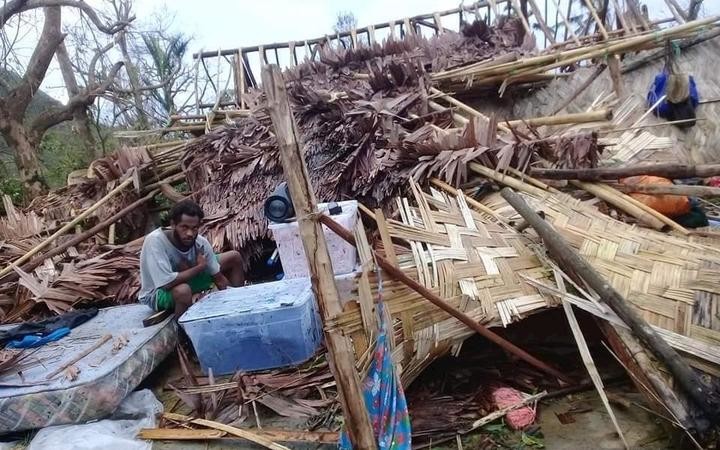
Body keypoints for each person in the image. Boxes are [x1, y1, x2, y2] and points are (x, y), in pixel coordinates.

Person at [138, 200, 244, 317]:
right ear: (173, 224)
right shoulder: (155, 241)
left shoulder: (200, 242)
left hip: (187, 278)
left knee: (234, 257)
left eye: (194, 228)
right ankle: (182, 331)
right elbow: (166, 283)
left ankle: (239, 307)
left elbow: (218, 278)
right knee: (183, 291)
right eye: (184, 227)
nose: (190, 233)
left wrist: (236, 304)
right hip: (158, 292)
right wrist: (199, 268)